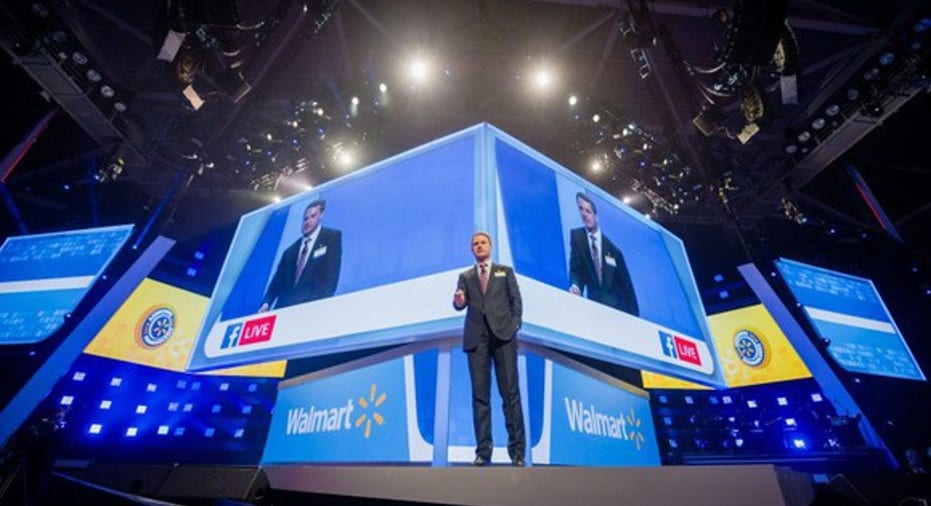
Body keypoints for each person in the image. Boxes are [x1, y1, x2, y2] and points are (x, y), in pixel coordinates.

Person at [453, 232, 526, 467]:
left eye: (483, 242)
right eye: (475, 244)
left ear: (490, 246)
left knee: (510, 395)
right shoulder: (465, 276)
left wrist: (514, 325)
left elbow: (516, 301)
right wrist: (458, 301)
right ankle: (483, 453)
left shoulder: (505, 272)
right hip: (477, 341)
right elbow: (459, 303)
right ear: (471, 249)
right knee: (480, 397)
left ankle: (518, 453)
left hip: (504, 337)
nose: (479, 246)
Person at [259, 199, 341, 312]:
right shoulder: (289, 252)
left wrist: (316, 309)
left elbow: (330, 280)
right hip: (283, 311)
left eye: (312, 216)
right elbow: (275, 284)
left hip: (311, 310)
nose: (308, 222)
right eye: (305, 219)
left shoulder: (331, 237)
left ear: (321, 215)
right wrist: (266, 303)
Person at [568, 191, 639, 316]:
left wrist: (634, 317)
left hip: (616, 312)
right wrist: (575, 285)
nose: (584, 214)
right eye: (581, 209)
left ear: (596, 216)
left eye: (588, 211)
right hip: (593, 309)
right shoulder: (577, 237)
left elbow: (627, 287)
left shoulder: (614, 251)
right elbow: (576, 270)